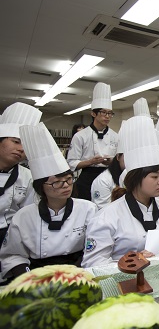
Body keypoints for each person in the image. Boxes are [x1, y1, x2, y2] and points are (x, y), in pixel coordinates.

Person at [82, 116, 159, 268]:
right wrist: (131, 261)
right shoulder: (106, 218)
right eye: (154, 176)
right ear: (137, 179)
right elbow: (91, 264)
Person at [0, 123, 97, 281]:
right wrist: (28, 278)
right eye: (57, 182)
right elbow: (13, 255)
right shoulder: (24, 216)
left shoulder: (88, 209)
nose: (65, 186)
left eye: (68, 180)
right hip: (37, 275)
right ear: (41, 188)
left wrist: (77, 272)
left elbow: (94, 247)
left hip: (77, 271)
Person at [67, 82, 118, 201]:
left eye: (110, 113)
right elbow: (72, 163)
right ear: (93, 113)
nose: (107, 116)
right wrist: (90, 161)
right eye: (104, 112)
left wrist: (112, 161)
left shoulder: (115, 136)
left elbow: (120, 160)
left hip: (109, 176)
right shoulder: (80, 136)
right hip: (87, 177)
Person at [0, 102, 41, 245]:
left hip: (11, 234)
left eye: (25, 145)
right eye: (16, 142)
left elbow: (28, 213)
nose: (21, 149)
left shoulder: (28, 176)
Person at [91, 121, 126, 210]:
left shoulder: (134, 176)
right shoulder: (103, 181)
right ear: (118, 157)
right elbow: (103, 211)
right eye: (128, 157)